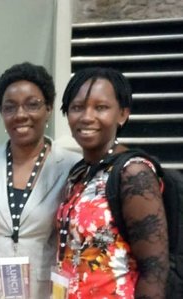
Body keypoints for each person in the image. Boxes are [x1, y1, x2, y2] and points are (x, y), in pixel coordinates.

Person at [0, 62, 81, 298]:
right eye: (10, 107)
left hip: (44, 290)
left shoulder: (72, 167)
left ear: (49, 109)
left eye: (32, 105)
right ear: (1, 112)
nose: (21, 115)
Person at [56, 67, 168, 298]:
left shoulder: (133, 173)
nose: (87, 117)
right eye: (77, 107)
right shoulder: (78, 174)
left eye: (101, 107)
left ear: (123, 114)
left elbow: (155, 269)